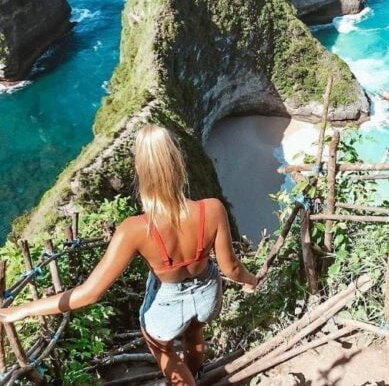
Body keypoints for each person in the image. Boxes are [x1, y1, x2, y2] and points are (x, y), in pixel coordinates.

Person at [0, 125, 258, 385]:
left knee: (162, 347)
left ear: (140, 172)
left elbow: (89, 293)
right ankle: (196, 372)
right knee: (195, 332)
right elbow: (230, 268)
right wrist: (251, 280)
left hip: (168, 301)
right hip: (207, 291)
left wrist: (22, 311)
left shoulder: (134, 230)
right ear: (178, 162)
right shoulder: (212, 209)